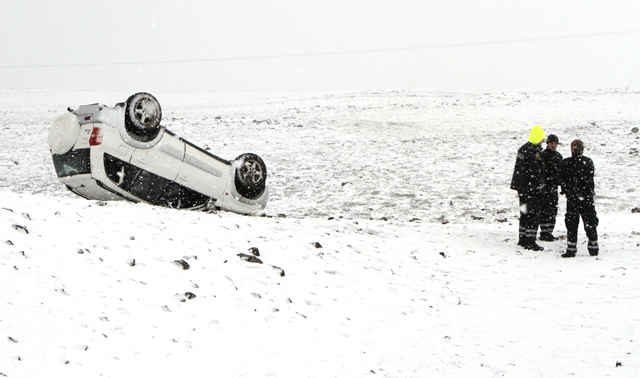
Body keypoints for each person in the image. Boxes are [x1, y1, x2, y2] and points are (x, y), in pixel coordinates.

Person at [560, 140, 599, 258]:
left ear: (572, 149)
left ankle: (571, 248)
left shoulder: (566, 163)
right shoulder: (588, 162)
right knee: (590, 222)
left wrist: (567, 190)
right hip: (587, 198)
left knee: (572, 223)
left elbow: (562, 180)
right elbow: (590, 180)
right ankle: (593, 247)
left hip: (573, 198)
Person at [510, 125, 546, 251]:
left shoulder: (523, 149)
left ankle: (522, 237)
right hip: (531, 188)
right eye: (542, 139)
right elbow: (535, 171)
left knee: (524, 212)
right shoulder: (533, 151)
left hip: (522, 187)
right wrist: (541, 185)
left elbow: (521, 169)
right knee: (533, 214)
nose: (542, 142)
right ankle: (530, 240)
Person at [539, 134, 563, 241]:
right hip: (545, 187)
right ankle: (544, 232)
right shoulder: (543, 155)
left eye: (555, 143)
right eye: (552, 143)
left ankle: (549, 231)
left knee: (553, 210)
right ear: (547, 144)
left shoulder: (558, 156)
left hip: (554, 187)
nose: (554, 145)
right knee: (545, 210)